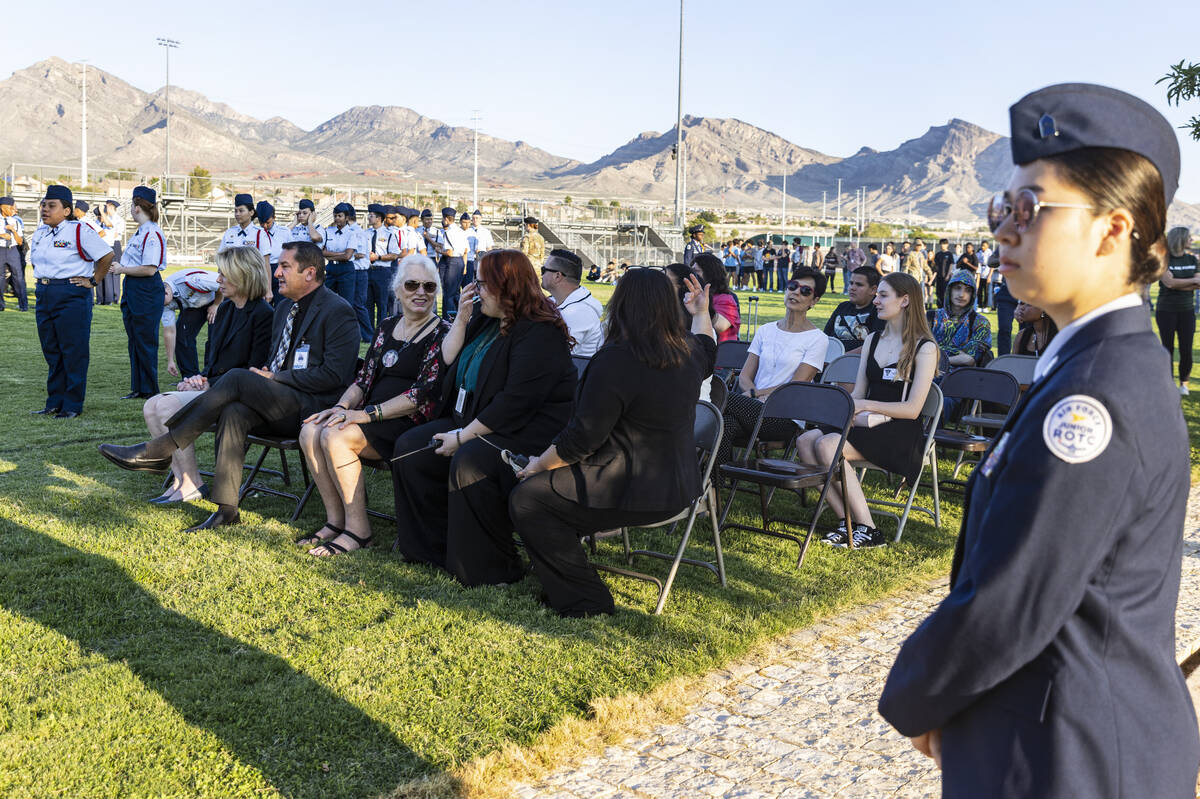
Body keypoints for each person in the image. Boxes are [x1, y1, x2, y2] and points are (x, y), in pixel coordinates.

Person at [879, 82, 1200, 797]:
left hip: (1074, 758)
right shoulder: (1092, 363)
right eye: (1003, 207)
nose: (1004, 229)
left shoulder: (1095, 395)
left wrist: (920, 696)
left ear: (1112, 231)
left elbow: (1012, 597)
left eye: (1030, 209)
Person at [98, 240, 360, 532]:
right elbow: (275, 360)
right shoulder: (285, 307)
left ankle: (162, 447)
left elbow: (335, 375)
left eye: (285, 266)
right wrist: (268, 373)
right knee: (234, 411)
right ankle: (227, 510)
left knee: (237, 376)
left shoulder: (338, 311)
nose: (276, 273)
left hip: (312, 410)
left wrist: (275, 378)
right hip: (278, 401)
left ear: (310, 273)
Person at [510, 269, 717, 616]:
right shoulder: (688, 352)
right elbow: (708, 346)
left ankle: (586, 600)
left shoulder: (616, 361)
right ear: (668, 308)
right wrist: (700, 313)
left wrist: (537, 465)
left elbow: (581, 439)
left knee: (529, 498)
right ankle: (559, 573)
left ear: (620, 305)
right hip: (680, 486)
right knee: (547, 492)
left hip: (631, 489)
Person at [390, 249, 575, 585]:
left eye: (483, 283)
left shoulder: (538, 331)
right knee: (410, 447)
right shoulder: (484, 320)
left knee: (469, 459)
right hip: (474, 418)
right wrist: (460, 318)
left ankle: (490, 568)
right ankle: (430, 549)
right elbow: (446, 361)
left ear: (508, 286)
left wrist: (462, 437)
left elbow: (515, 403)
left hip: (522, 431)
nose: (476, 290)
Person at [298, 255, 455, 556]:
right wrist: (342, 407)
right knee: (310, 430)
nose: (420, 292)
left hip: (408, 424)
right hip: (367, 416)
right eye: (412, 285)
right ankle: (336, 521)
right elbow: (363, 379)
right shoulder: (386, 326)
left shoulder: (442, 332)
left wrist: (364, 415)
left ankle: (359, 531)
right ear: (398, 289)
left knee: (335, 436)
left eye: (429, 286)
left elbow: (421, 395)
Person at [796, 272, 937, 548]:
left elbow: (912, 409)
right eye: (877, 295)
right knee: (804, 441)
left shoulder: (924, 347)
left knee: (827, 445)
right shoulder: (873, 339)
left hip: (900, 430)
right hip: (866, 422)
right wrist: (852, 407)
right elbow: (858, 393)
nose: (876, 300)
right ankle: (847, 523)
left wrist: (864, 405)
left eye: (884, 295)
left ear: (905, 300)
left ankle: (870, 530)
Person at [141, 246, 273, 504]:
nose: (219, 279)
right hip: (216, 388)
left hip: (241, 396)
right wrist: (198, 379)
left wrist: (207, 383)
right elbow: (212, 362)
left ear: (243, 275)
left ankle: (192, 482)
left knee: (166, 406)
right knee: (151, 406)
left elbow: (254, 370)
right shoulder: (224, 311)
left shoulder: (263, 315)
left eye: (225, 274)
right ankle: (181, 479)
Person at [718, 267, 828, 465]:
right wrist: (753, 394)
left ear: (814, 301)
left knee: (720, 397)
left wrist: (753, 395)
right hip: (752, 409)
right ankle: (717, 485)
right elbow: (744, 376)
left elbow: (795, 386)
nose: (795, 292)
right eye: (793, 286)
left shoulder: (817, 339)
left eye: (805, 291)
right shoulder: (766, 330)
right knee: (725, 424)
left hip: (784, 417)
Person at [29, 185, 114, 418]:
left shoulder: (80, 230)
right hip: (45, 293)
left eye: (51, 206)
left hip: (71, 294)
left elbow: (107, 256)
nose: (44, 209)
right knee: (52, 350)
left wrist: (94, 281)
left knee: (73, 351)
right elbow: (36, 262)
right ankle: (54, 402)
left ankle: (72, 405)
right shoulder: (41, 232)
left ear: (66, 210)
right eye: (43, 205)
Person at [110, 186, 166, 400]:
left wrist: (122, 269)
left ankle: (150, 388)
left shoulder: (152, 233)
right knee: (135, 338)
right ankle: (139, 387)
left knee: (145, 339)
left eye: (132, 205)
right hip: (134, 286)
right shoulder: (141, 232)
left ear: (137, 206)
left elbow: (150, 268)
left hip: (146, 287)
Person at [1158, 226, 1199, 395]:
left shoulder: (1192, 260)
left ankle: (1184, 384)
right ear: (1180, 240)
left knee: (1186, 349)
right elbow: (1169, 283)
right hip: (1166, 311)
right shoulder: (1163, 260)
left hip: (1187, 311)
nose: (1192, 240)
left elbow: (1198, 282)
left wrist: (1177, 284)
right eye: (1189, 238)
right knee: (1167, 348)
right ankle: (1168, 383)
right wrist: (1190, 284)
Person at [541, 248, 603, 356]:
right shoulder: (556, 300)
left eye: (544, 270)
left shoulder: (579, 313)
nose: (541, 275)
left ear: (557, 276)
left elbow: (554, 356)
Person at [162, 268, 221, 378]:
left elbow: (221, 285)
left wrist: (216, 305)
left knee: (215, 336)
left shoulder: (192, 280)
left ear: (166, 292)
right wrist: (170, 360)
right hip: (194, 305)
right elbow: (169, 332)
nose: (162, 305)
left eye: (161, 302)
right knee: (182, 335)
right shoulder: (163, 302)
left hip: (218, 298)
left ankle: (212, 375)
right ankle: (191, 376)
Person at [929, 268, 993, 369]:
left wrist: (937, 360)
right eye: (957, 288)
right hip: (926, 377)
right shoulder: (931, 317)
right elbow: (916, 349)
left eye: (967, 290)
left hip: (963, 378)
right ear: (950, 290)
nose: (961, 295)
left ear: (972, 295)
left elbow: (971, 358)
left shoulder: (980, 322)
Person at [218, 194, 272, 299]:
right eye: (235, 211)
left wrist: (268, 289)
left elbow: (266, 264)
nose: (237, 214)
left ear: (251, 212)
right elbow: (221, 261)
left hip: (252, 284)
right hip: (231, 284)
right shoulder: (230, 232)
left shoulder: (260, 234)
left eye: (241, 211)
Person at [824, 266, 883, 352]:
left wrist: (841, 358)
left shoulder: (878, 310)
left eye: (859, 285)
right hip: (831, 360)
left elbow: (874, 345)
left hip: (857, 362)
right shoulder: (842, 307)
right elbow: (826, 337)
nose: (852, 288)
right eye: (851, 283)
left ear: (873, 290)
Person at [366, 203, 401, 330]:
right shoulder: (366, 233)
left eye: (371, 216)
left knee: (382, 303)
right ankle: (369, 331)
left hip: (382, 271)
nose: (368, 218)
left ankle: (381, 330)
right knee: (368, 303)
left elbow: (395, 254)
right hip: (368, 270)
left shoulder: (389, 234)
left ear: (379, 218)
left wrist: (378, 257)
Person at [432, 206, 469, 317]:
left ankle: (448, 320)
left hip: (452, 262)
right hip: (459, 262)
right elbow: (466, 250)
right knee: (455, 293)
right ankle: (458, 318)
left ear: (446, 219)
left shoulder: (449, 232)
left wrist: (439, 250)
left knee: (448, 294)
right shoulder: (460, 231)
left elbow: (450, 252)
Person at [321, 202, 358, 309]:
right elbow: (322, 252)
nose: (337, 218)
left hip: (346, 269)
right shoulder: (328, 231)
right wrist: (341, 253)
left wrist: (329, 255)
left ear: (346, 217)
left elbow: (347, 256)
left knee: (346, 303)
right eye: (335, 216)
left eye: (340, 216)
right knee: (326, 300)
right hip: (331, 268)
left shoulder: (352, 233)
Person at [695, 253, 740, 343]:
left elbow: (721, 326)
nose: (692, 275)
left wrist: (703, 307)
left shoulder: (725, 298)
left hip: (720, 352)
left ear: (710, 273)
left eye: (696, 271)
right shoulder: (690, 297)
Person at [256, 201, 289, 305]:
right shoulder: (256, 233)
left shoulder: (285, 232)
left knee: (281, 306)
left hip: (279, 271)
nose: (265, 226)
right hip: (261, 271)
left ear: (274, 217)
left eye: (268, 222)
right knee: (263, 308)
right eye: (261, 223)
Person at [96, 199, 125, 305]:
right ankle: (106, 296)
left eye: (106, 206)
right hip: (105, 245)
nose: (105, 208)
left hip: (115, 245)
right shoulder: (105, 219)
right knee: (105, 270)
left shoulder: (119, 220)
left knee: (115, 270)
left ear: (112, 207)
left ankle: (115, 296)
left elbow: (114, 233)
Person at [0, 196, 26, 311]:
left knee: (18, 278)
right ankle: (1, 306)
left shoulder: (15, 221)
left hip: (13, 250)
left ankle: (23, 305)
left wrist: (13, 231)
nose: (12, 210)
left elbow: (20, 241)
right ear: (2, 207)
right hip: (0, 250)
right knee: (0, 279)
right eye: (10, 208)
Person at [932, 239, 956, 308]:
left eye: (944, 244)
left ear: (947, 245)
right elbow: (935, 266)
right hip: (939, 277)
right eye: (941, 244)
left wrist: (948, 275)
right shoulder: (938, 254)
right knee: (938, 293)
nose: (942, 245)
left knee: (945, 293)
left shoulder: (949, 254)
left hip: (946, 277)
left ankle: (946, 307)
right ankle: (939, 307)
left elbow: (951, 265)